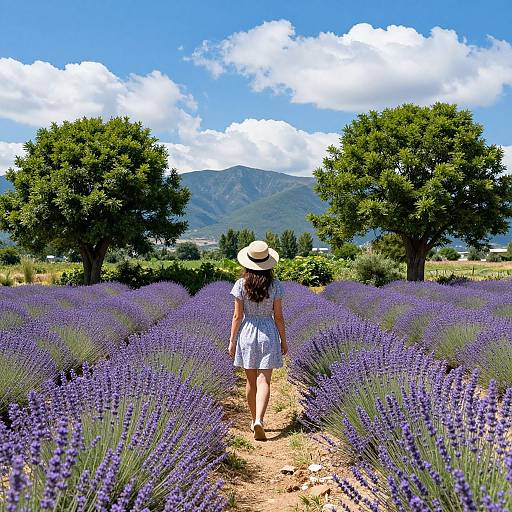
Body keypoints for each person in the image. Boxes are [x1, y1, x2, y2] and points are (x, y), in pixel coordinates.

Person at [228, 240, 287, 441]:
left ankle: (254, 419)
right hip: (268, 332)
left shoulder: (240, 284)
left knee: (251, 381)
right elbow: (278, 316)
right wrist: (283, 341)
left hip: (247, 333)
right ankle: (259, 420)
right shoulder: (276, 285)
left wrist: (232, 341)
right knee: (264, 380)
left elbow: (237, 316)